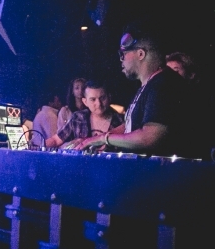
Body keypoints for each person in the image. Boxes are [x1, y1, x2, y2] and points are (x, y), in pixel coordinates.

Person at [76, 25, 204, 157]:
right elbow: (129, 127)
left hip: (164, 169)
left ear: (141, 54)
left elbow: (149, 137)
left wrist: (103, 138)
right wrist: (91, 140)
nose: (121, 60)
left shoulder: (163, 84)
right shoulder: (149, 86)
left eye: (123, 54)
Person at [44, 81, 124, 148]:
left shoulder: (120, 121)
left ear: (109, 97)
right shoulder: (78, 118)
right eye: (93, 99)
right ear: (85, 102)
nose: (98, 103)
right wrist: (39, 147)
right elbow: (56, 140)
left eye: (102, 98)